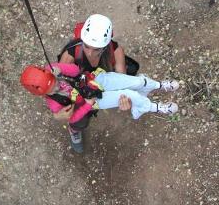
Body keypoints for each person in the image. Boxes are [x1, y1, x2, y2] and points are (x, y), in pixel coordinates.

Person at [20, 63, 179, 153]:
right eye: (53, 89)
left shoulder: (52, 70)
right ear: (42, 94)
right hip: (94, 100)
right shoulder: (55, 102)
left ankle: (157, 85)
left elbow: (76, 71)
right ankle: (152, 107)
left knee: (137, 82)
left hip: (95, 80)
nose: (57, 85)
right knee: (130, 95)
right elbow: (73, 118)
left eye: (55, 81)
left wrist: (61, 70)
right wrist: (88, 105)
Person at [59, 14, 131, 74]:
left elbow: (121, 78)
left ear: (105, 46)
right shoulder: (72, 53)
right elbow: (62, 81)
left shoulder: (116, 51)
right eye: (86, 47)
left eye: (97, 49)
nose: (90, 53)